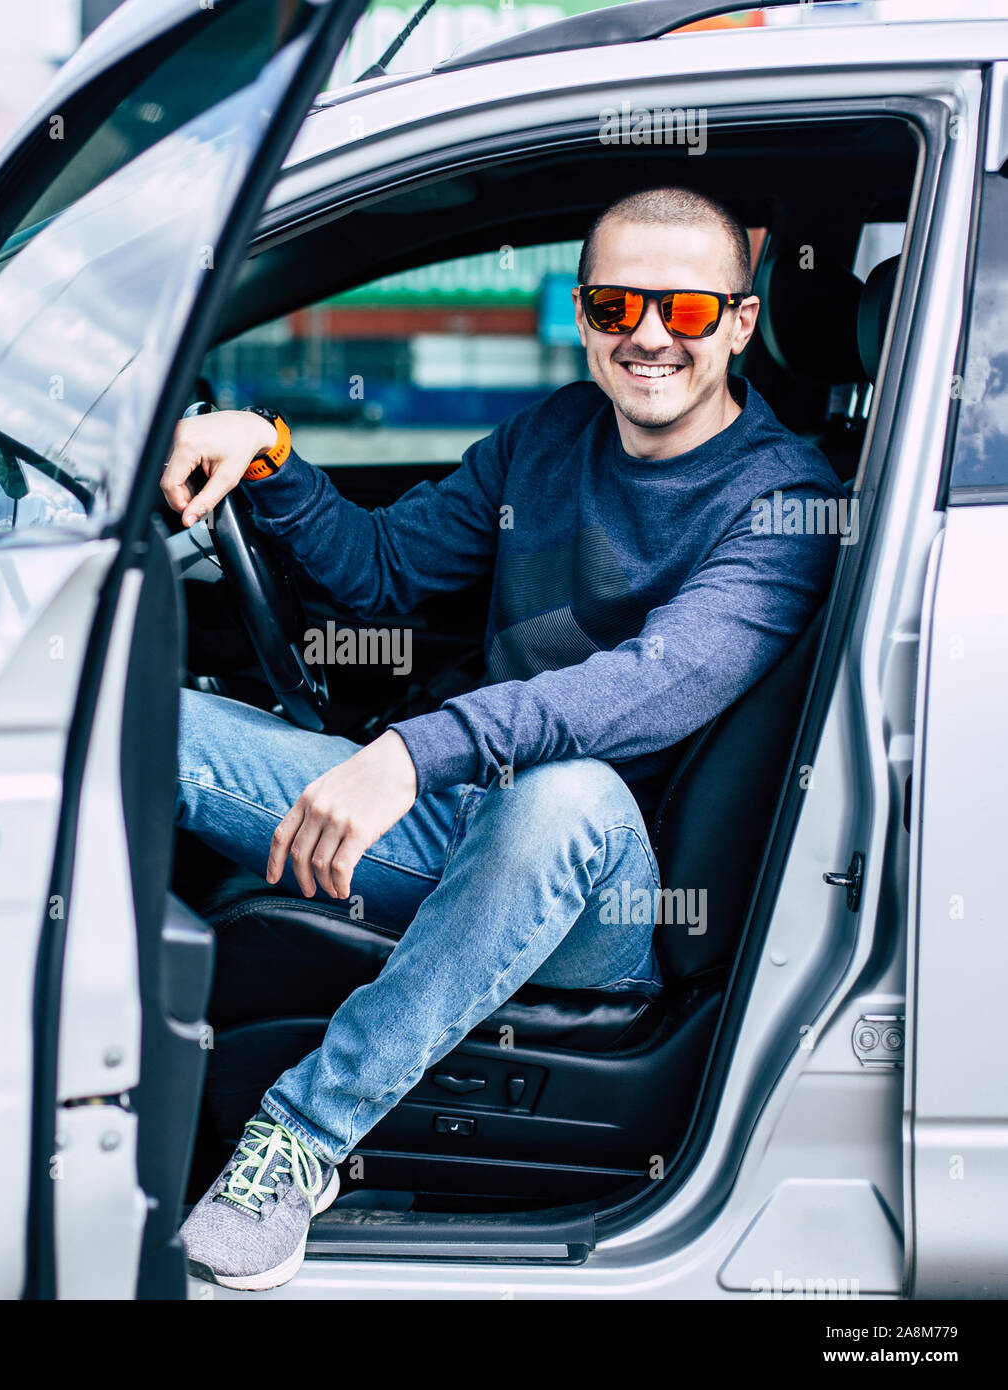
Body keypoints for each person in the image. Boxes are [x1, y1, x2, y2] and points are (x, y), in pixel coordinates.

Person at [163, 187, 845, 1291]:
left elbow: (649, 687)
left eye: (683, 306)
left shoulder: (783, 500)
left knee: (562, 793)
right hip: (458, 827)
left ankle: (299, 1138)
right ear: (582, 314)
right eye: (616, 302)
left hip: (608, 892)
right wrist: (266, 452)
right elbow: (383, 572)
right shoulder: (552, 435)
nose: (648, 333)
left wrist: (408, 751)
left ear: (738, 321)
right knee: (150, 724)